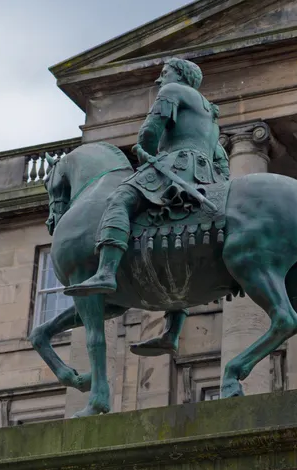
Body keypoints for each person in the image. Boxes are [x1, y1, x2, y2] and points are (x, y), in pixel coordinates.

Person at [65, 57, 229, 296]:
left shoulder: (173, 91)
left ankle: (106, 272)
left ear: (180, 76)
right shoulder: (209, 114)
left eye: (165, 72)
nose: (159, 78)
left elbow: (151, 130)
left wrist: (145, 151)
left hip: (176, 166)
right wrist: (221, 182)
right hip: (207, 175)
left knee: (120, 200)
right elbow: (221, 159)